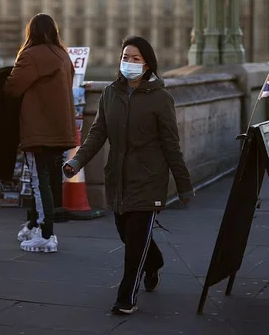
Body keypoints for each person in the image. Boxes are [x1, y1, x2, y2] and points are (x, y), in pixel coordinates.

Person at [63, 36, 193, 315]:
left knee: (134, 244)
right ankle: (154, 261)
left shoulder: (161, 98)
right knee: (127, 234)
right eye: (125, 57)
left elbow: (171, 145)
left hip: (148, 180)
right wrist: (76, 161)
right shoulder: (110, 93)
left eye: (135, 58)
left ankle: (126, 297)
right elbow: (97, 134)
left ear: (147, 64)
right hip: (118, 178)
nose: (129, 63)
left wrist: (184, 185)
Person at [4, 14, 77, 254]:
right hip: (59, 128)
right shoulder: (63, 56)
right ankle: (35, 225)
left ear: (31, 32)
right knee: (45, 179)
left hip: (39, 129)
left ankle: (46, 234)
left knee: (38, 180)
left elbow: (12, 87)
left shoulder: (31, 55)